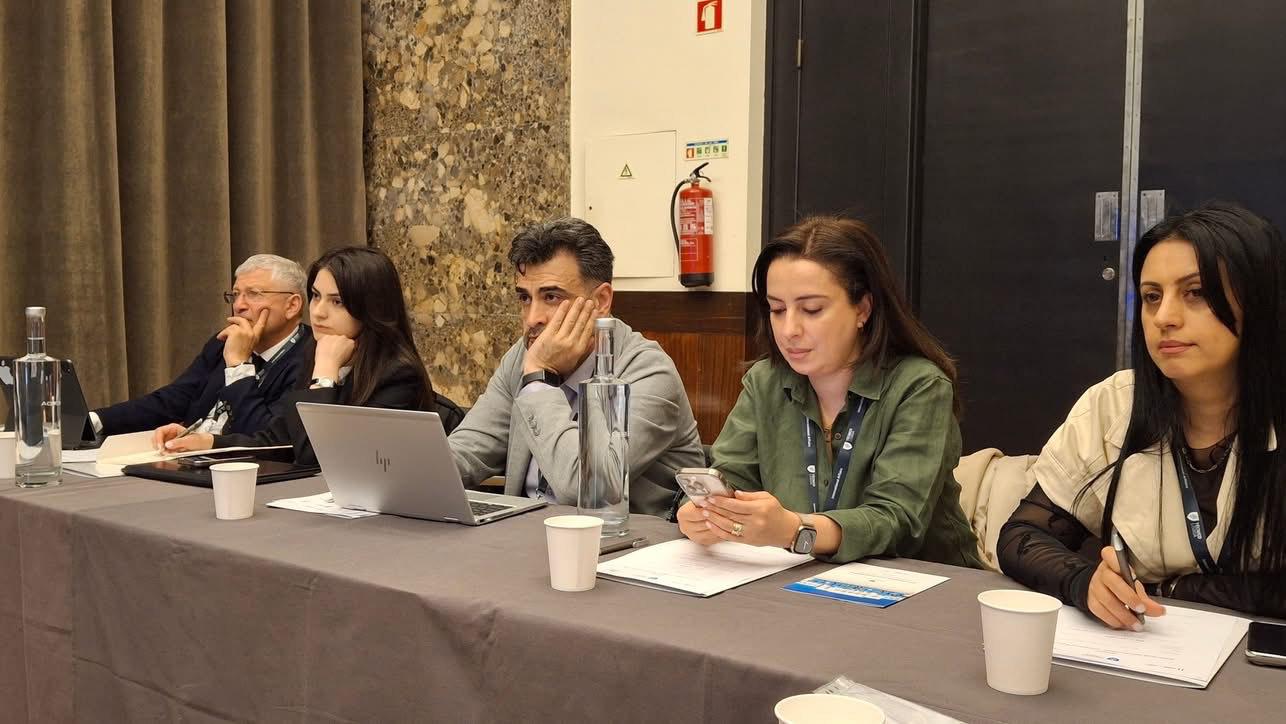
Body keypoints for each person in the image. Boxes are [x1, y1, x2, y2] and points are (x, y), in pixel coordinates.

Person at [998, 202, 1286, 627]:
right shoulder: (1116, 403)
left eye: (1196, 292)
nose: (1163, 317)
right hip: (1147, 645)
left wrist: (1174, 590)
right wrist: (1084, 582)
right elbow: (1023, 535)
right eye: (1152, 296)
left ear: (1258, 302)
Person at [677, 216, 983, 565]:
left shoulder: (919, 386)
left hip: (921, 581)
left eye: (812, 310)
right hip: (797, 576)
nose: (789, 329)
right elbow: (731, 476)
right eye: (777, 309)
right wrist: (701, 513)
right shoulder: (765, 381)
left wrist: (794, 530)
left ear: (862, 309)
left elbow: (896, 521)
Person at [448, 217, 705, 516]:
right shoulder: (522, 356)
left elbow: (587, 488)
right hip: (525, 533)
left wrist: (539, 379)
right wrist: (414, 472)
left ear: (601, 301)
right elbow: (467, 452)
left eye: (551, 297)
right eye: (524, 298)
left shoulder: (648, 371)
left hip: (617, 540)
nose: (532, 318)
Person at [157, 246, 434, 465]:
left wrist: (324, 375)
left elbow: (314, 457)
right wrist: (210, 442)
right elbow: (280, 440)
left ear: (370, 308)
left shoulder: (397, 375)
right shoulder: (316, 353)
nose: (318, 312)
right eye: (316, 296)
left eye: (337, 301)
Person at [90, 254, 309, 439]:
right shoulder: (222, 342)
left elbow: (266, 438)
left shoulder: (310, 358)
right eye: (235, 295)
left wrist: (238, 365)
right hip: (191, 460)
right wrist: (94, 421)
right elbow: (174, 400)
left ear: (292, 305)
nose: (239, 305)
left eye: (254, 294)